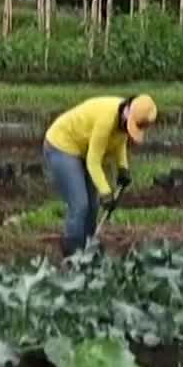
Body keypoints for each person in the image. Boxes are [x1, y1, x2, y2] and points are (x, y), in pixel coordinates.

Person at [42, 95, 156, 256]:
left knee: (93, 207)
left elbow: (119, 142)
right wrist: (106, 192)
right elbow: (93, 161)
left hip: (83, 150)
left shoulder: (123, 121)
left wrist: (123, 168)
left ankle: (89, 249)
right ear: (127, 113)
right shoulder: (107, 119)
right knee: (80, 205)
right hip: (62, 146)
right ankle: (72, 254)